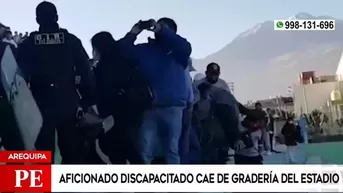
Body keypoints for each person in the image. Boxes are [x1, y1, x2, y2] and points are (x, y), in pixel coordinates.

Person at [17, 1, 96, 163]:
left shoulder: (28, 43)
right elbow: (86, 71)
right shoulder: (71, 41)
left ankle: (47, 186)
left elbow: (20, 78)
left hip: (39, 104)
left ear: (37, 19)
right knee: (72, 151)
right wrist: (87, 100)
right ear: (57, 17)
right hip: (68, 103)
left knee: (43, 154)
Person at [120, 17, 192, 164]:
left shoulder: (179, 52)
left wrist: (161, 30)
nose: (158, 29)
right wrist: (133, 33)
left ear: (172, 32)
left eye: (164, 27)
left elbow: (185, 46)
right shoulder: (146, 50)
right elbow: (123, 51)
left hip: (173, 106)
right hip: (150, 106)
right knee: (146, 150)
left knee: (172, 150)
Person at [90, 31, 148, 164]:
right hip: (135, 114)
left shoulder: (101, 69)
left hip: (114, 118)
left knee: (118, 154)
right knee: (133, 153)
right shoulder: (129, 63)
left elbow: (102, 95)